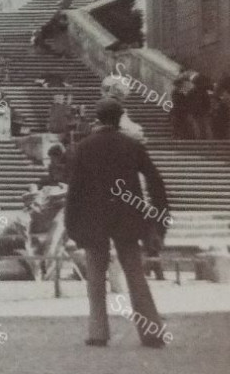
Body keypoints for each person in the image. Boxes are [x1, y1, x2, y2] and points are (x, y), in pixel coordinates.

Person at [64, 97, 171, 347]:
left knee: (95, 276)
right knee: (135, 274)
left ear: (98, 118)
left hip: (95, 218)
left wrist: (72, 224)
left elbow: (75, 190)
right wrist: (159, 217)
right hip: (128, 215)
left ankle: (98, 331)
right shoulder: (132, 145)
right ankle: (151, 330)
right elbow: (156, 182)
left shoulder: (84, 147)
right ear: (120, 117)